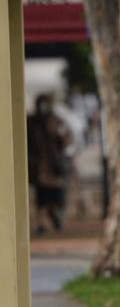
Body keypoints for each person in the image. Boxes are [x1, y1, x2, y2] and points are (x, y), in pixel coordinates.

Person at [27, 93, 74, 234]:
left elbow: (67, 139)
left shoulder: (57, 121)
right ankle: (41, 225)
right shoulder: (31, 122)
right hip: (40, 168)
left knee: (56, 199)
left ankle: (54, 215)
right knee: (41, 200)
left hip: (55, 168)